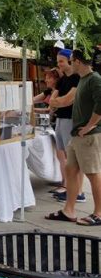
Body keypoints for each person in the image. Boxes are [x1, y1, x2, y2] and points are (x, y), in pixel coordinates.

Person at [46, 49, 101, 227]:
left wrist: (90, 126)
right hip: (77, 135)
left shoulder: (94, 79)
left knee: (93, 174)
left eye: (70, 60)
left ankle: (98, 213)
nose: (68, 63)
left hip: (88, 136)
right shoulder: (83, 79)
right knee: (71, 170)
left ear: (77, 61)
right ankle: (68, 211)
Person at [48, 49, 82, 200]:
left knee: (74, 157)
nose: (59, 64)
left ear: (70, 61)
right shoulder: (62, 80)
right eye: (58, 61)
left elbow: (67, 100)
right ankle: (70, 189)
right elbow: (53, 101)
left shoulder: (76, 78)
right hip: (61, 120)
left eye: (61, 61)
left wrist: (57, 103)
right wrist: (57, 103)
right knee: (67, 157)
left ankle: (79, 192)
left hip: (71, 119)